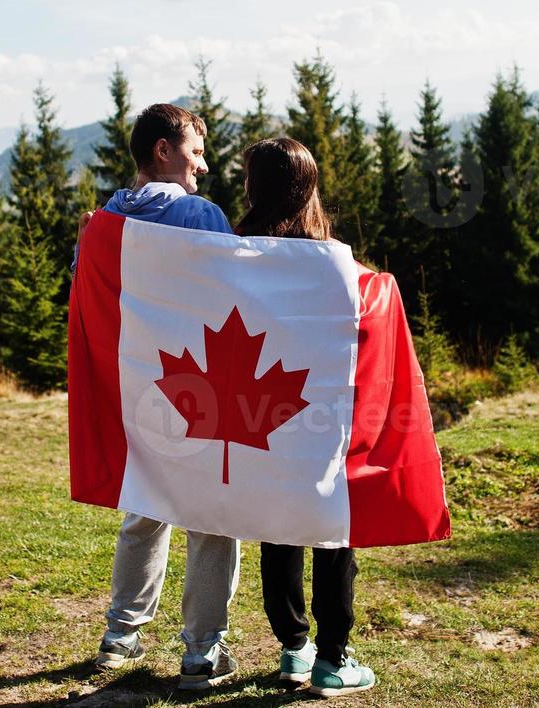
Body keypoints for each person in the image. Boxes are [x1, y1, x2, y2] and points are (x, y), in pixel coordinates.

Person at [84, 103, 242, 691]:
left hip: (136, 389)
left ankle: (120, 636)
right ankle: (201, 651)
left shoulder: (106, 219)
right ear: (163, 151)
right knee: (213, 516)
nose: (203, 165)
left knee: (144, 509)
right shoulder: (201, 214)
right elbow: (235, 294)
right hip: (200, 381)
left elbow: (89, 295)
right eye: (196, 152)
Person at [234, 137, 377, 698]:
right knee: (331, 530)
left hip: (257, 411)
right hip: (323, 415)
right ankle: (333, 659)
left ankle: (294, 649)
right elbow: (365, 327)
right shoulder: (334, 260)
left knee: (279, 525)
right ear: (307, 188)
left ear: (255, 188)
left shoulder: (232, 254)